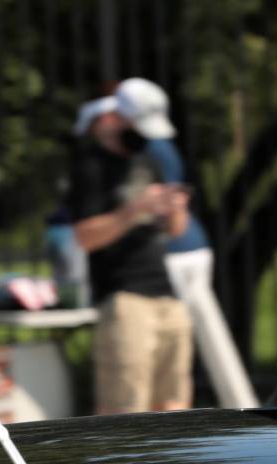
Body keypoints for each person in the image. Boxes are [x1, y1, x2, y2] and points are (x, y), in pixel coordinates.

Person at [115, 77, 258, 410]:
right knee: (211, 340)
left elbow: (170, 209)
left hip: (175, 254)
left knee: (168, 346)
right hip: (192, 248)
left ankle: (244, 408)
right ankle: (245, 406)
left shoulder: (146, 152)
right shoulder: (163, 146)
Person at [68, 85, 193, 415]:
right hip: (125, 300)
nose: (143, 137)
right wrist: (134, 209)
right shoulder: (91, 168)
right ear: (114, 119)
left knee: (175, 407)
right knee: (125, 411)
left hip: (167, 296)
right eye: (137, 127)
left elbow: (176, 231)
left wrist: (176, 209)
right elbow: (84, 237)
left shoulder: (148, 160)